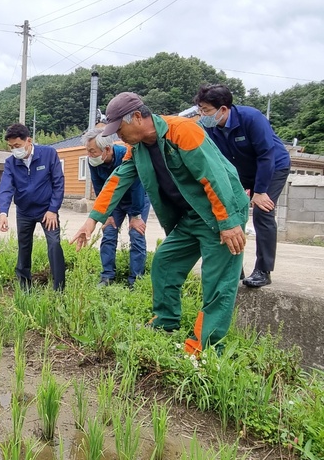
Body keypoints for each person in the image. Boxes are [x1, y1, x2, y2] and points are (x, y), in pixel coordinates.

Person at [71, 92, 249, 356]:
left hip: (220, 212)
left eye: (119, 128)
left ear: (137, 118)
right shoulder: (138, 148)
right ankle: (165, 321)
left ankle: (207, 346)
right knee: (165, 262)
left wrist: (229, 222)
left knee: (218, 281)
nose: (118, 135)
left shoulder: (183, 131)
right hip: (191, 216)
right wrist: (92, 221)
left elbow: (213, 176)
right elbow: (118, 179)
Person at [194, 84, 291, 288]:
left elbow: (266, 155)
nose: (202, 115)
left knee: (262, 212)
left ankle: (263, 271)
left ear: (223, 109)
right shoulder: (209, 127)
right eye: (200, 110)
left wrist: (260, 191)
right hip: (242, 172)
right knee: (228, 213)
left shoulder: (252, 118)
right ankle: (235, 269)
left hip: (273, 167)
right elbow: (217, 161)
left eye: (206, 110)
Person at [0, 123, 66, 291]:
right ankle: (24, 286)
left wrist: (53, 210)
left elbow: (58, 183)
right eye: (11, 147)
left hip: (46, 210)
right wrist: (3, 212)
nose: (15, 150)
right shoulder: (11, 163)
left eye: (17, 146)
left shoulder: (48, 154)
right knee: (24, 246)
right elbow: (5, 187)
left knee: (54, 243)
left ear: (29, 141)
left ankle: (59, 288)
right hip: (24, 211)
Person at [82, 128, 151, 287]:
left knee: (136, 233)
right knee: (109, 231)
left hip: (138, 197)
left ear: (107, 149)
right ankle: (107, 276)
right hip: (115, 201)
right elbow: (100, 187)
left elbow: (137, 186)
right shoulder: (94, 161)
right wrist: (107, 214)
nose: (89, 155)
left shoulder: (126, 155)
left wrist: (136, 215)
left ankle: (135, 280)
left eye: (92, 151)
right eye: (88, 151)